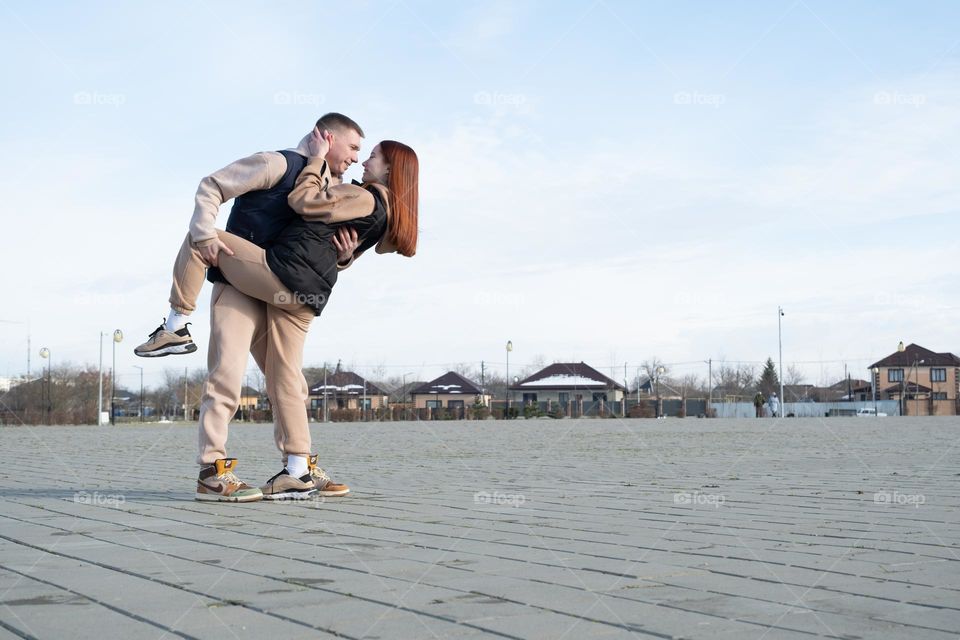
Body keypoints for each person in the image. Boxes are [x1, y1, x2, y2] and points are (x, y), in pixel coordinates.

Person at [137, 127, 419, 502]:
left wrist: (317, 164)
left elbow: (306, 204)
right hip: (269, 287)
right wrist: (345, 255)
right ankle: (293, 468)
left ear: (390, 169)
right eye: (355, 149)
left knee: (201, 239)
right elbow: (214, 185)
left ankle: (175, 326)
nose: (359, 159)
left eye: (369, 155)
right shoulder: (283, 165)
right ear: (328, 138)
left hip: (278, 279)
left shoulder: (353, 192)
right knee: (273, 379)